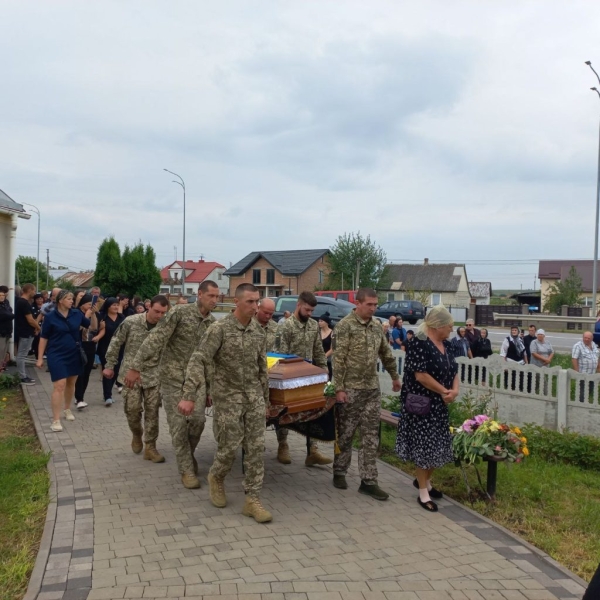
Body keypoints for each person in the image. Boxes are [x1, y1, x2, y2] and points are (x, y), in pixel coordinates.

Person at [181, 283, 271, 523]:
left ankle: (252, 499)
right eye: (250, 302)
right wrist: (189, 395)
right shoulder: (219, 330)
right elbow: (198, 360)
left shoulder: (259, 332)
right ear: (236, 302)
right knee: (229, 448)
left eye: (257, 301)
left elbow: (262, 368)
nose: (255, 306)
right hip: (228, 398)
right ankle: (216, 477)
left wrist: (266, 400)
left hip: (253, 399)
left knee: (255, 449)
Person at [125, 280, 219, 489]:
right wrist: (135, 366)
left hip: (197, 381)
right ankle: (186, 469)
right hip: (172, 379)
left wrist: (211, 389)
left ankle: (188, 454)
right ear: (200, 294)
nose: (214, 300)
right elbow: (156, 338)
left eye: (217, 297)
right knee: (178, 426)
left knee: (197, 423)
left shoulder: (212, 323)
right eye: (211, 296)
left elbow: (211, 359)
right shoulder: (179, 313)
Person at [332, 288, 401, 500]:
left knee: (371, 436)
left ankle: (369, 481)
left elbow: (386, 353)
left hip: (371, 389)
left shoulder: (376, 327)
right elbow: (339, 359)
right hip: (350, 389)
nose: (373, 308)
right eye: (369, 304)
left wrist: (394, 376)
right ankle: (339, 471)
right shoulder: (345, 326)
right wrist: (339, 389)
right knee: (346, 434)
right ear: (358, 303)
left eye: (375, 305)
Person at [395, 305, 459, 512]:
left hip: (440, 404)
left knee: (438, 446)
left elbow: (454, 370)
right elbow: (420, 375)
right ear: (438, 325)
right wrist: (443, 391)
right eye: (449, 326)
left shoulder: (447, 345)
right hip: (421, 405)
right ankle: (423, 492)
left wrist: (454, 391)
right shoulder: (419, 344)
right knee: (424, 448)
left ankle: (426, 482)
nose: (451, 330)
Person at [104, 295, 169, 462]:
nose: (159, 316)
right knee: (132, 410)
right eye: (156, 311)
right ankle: (137, 433)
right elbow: (116, 342)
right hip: (130, 375)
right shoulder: (131, 322)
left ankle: (151, 447)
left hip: (154, 375)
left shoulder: (166, 326)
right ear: (149, 307)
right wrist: (110, 365)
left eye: (163, 312)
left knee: (152, 412)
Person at [274, 291, 331, 466]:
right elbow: (279, 355)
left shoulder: (313, 325)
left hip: (308, 378)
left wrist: (324, 371)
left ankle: (312, 451)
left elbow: (318, 351)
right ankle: (283, 444)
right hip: (289, 378)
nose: (310, 314)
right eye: (307, 310)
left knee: (312, 410)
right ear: (298, 305)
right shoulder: (286, 326)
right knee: (284, 412)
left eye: (312, 311)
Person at [36, 290, 94, 432]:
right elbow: (44, 337)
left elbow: (90, 326)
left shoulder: (76, 314)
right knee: (59, 385)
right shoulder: (50, 317)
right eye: (69, 298)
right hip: (56, 353)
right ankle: (56, 419)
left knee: (70, 383)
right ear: (60, 300)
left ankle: (67, 409)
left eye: (72, 299)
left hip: (74, 352)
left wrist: (92, 313)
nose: (71, 301)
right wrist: (39, 358)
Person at [94, 298, 125, 405]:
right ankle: (107, 396)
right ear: (108, 306)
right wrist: (100, 327)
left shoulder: (122, 318)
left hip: (119, 348)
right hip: (105, 348)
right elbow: (94, 329)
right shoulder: (102, 317)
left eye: (117, 305)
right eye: (113, 305)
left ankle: (108, 392)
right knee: (107, 370)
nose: (116, 307)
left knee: (115, 371)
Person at [73, 294, 99, 410]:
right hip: (79, 345)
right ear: (83, 304)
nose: (91, 306)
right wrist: (86, 316)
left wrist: (92, 314)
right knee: (80, 373)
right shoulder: (76, 313)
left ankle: (80, 396)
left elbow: (94, 328)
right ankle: (79, 398)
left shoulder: (93, 313)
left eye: (92, 304)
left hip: (90, 345)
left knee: (87, 372)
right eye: (89, 304)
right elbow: (76, 328)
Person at [15, 283, 40, 385]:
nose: (34, 292)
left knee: (22, 354)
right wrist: (38, 327)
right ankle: (22, 376)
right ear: (29, 290)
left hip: (25, 331)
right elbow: (30, 320)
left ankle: (23, 375)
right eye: (34, 290)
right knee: (22, 355)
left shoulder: (21, 302)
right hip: (25, 332)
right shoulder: (24, 303)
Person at [571, 331, 600, 402]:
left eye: (588, 338)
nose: (586, 339)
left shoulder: (594, 345)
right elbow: (574, 359)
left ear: (592, 338)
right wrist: (577, 373)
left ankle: (584, 406)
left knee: (589, 392)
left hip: (592, 375)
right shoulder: (578, 346)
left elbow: (597, 358)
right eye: (585, 338)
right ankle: (579, 407)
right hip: (583, 375)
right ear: (582, 337)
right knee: (582, 394)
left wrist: (598, 371)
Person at [500, 326, 528, 391]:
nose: (514, 331)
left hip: (520, 363)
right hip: (510, 363)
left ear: (518, 332)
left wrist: (526, 363)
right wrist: (505, 365)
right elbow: (503, 353)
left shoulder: (520, 340)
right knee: (510, 382)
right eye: (512, 330)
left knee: (520, 382)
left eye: (515, 330)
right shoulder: (507, 340)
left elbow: (524, 352)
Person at [530, 329, 554, 394]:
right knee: (543, 381)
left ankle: (531, 392)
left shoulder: (548, 342)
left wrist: (549, 359)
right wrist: (545, 359)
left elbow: (552, 352)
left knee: (537, 382)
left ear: (544, 335)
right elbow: (534, 353)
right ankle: (546, 395)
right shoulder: (534, 342)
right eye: (538, 334)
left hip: (545, 366)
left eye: (541, 334)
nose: (540, 336)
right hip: (537, 366)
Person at [0, 287, 14, 372]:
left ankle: (1, 367)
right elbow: (4, 315)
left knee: (4, 352)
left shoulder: (6, 302)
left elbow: (9, 312)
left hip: (7, 330)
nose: (3, 296)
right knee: (0, 351)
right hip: (1, 331)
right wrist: (12, 315)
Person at [318, 314, 333, 380]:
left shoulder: (333, 333)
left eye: (321, 321)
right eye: (319, 321)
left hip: (327, 360)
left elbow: (333, 348)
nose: (319, 323)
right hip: (317, 359)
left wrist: (324, 356)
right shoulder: (317, 332)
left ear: (326, 322)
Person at [30, 293, 45, 359]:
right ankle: (37, 354)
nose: (39, 300)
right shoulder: (32, 307)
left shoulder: (46, 306)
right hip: (36, 326)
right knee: (37, 341)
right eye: (38, 299)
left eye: (41, 299)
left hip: (45, 325)